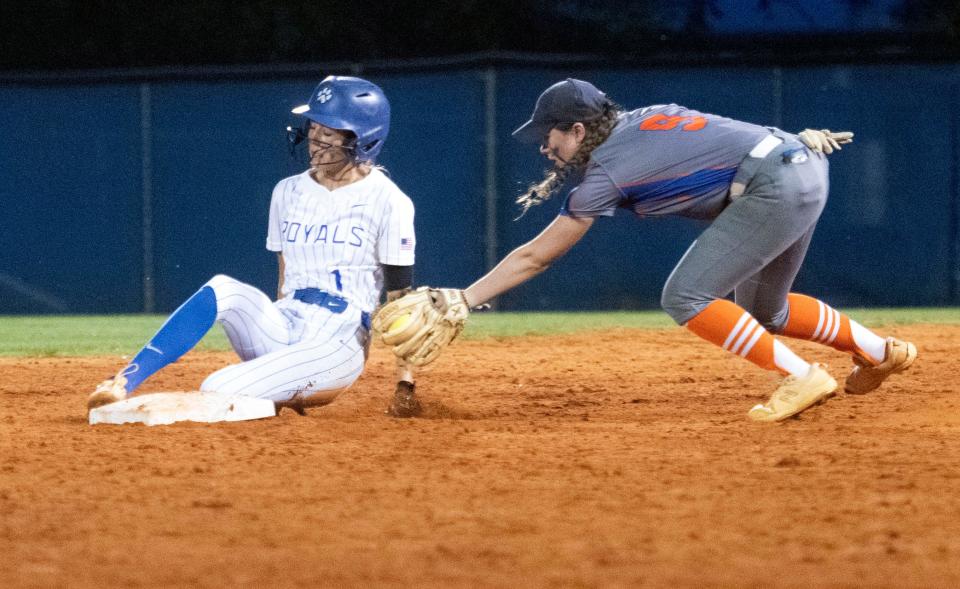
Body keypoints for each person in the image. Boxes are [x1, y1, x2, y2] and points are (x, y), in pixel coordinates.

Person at [429, 79, 916, 422]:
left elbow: (538, 256)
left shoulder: (606, 172)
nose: (543, 146)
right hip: (801, 164)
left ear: (577, 130)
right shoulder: (645, 117)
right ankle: (881, 351)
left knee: (685, 296)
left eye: (548, 133)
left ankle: (802, 375)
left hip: (775, 183)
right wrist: (792, 141)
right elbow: (724, 134)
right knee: (766, 311)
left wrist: (464, 298)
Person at [87, 75, 423, 417]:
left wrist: (405, 384)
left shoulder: (389, 201)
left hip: (339, 340)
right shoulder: (287, 191)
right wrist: (283, 360)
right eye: (314, 127)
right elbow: (284, 279)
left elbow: (401, 307)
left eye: (329, 132)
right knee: (223, 288)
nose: (315, 140)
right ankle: (123, 381)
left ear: (362, 139)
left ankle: (278, 399)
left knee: (219, 387)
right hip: (288, 321)